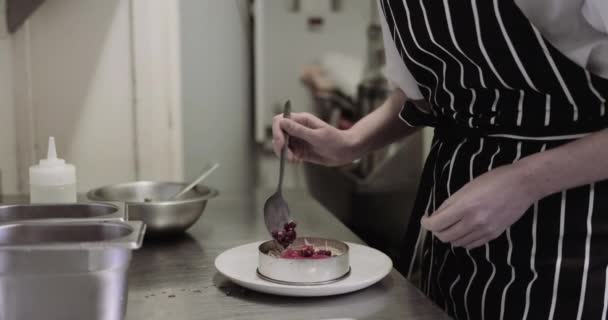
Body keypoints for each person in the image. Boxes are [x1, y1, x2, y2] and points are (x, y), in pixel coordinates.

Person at [272, 0, 608, 319]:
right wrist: (351, 142)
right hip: (452, 218)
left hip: (574, 227)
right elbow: (425, 97)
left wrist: (526, 181)